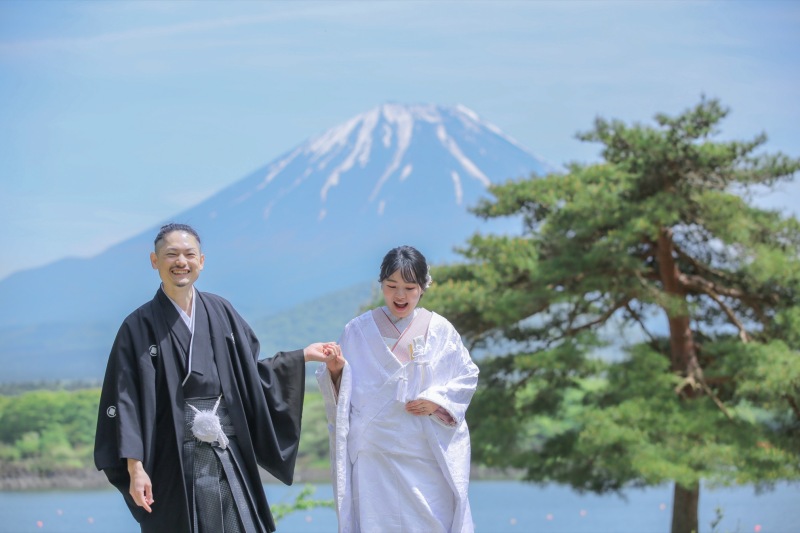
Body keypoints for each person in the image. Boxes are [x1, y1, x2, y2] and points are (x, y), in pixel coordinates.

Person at [94, 223, 340, 533]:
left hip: (225, 449)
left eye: (189, 254)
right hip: (172, 457)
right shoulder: (137, 326)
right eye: (171, 254)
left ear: (202, 261)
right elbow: (126, 400)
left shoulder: (220, 311)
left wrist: (301, 355)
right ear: (155, 261)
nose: (181, 262)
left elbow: (249, 376)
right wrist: (135, 468)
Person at [316, 245, 480, 533]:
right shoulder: (357, 330)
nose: (400, 295)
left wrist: (436, 401)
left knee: (431, 523)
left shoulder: (440, 330)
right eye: (391, 286)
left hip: (423, 450)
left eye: (409, 287)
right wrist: (335, 369)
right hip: (374, 452)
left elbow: (467, 375)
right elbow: (343, 389)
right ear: (381, 285)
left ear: (423, 287)